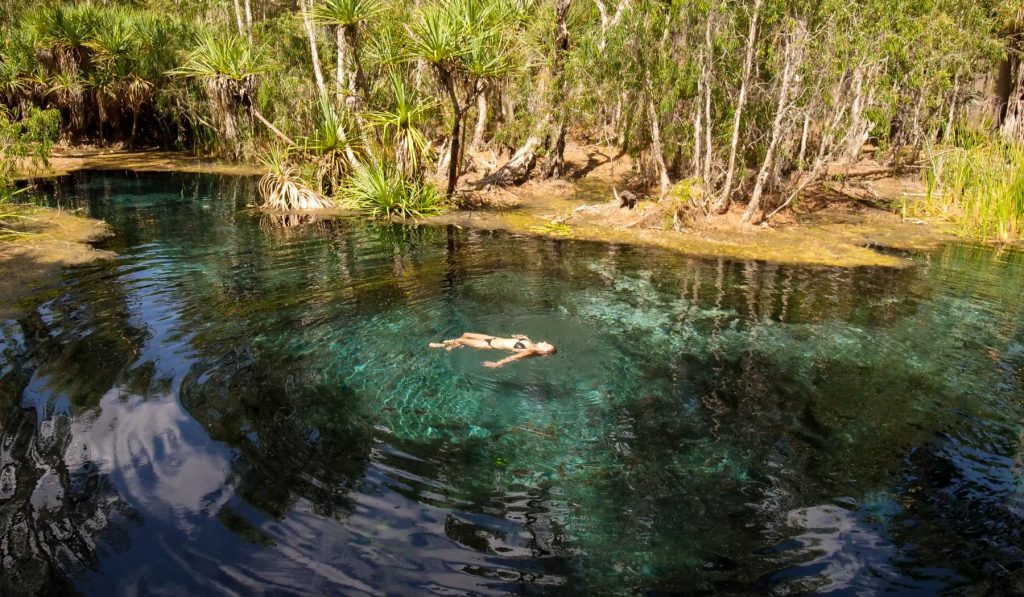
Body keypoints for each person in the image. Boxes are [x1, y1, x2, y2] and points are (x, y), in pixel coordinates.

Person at [429, 333, 557, 368]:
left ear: (542, 353)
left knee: (462, 340)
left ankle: (442, 346)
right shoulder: (532, 344)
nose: (545, 342)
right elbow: (524, 344)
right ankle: (453, 345)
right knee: (465, 334)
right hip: (492, 338)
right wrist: (525, 337)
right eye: (547, 343)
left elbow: (513, 357)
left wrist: (497, 364)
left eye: (546, 346)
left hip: (490, 345)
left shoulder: (529, 351)